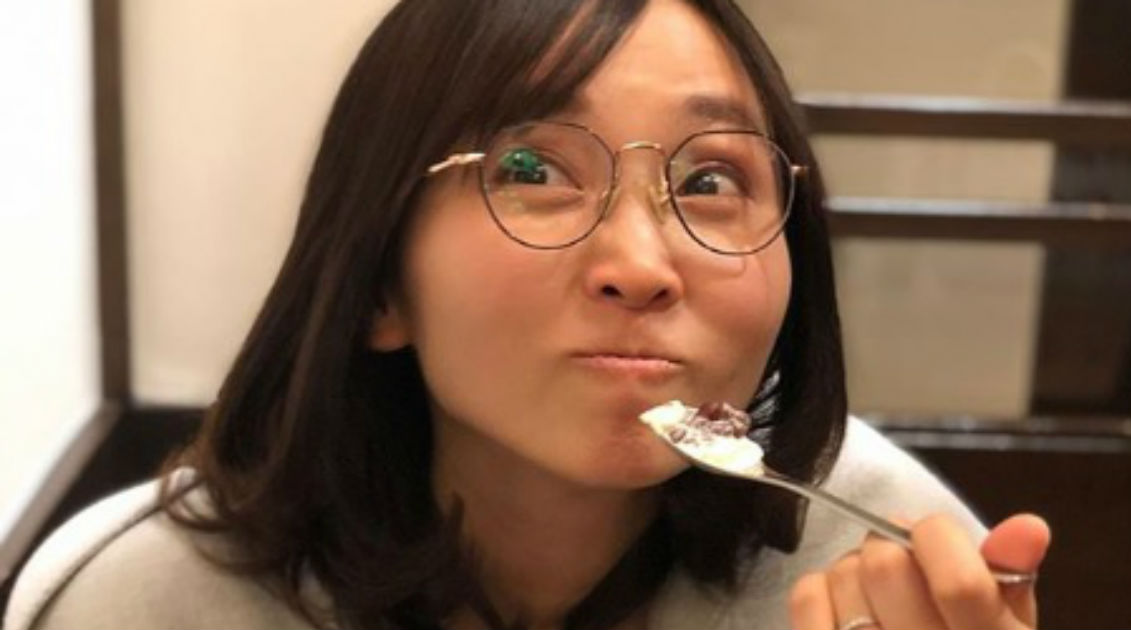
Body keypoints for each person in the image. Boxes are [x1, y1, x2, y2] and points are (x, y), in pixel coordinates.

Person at [5, 0, 1051, 628]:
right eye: (531, 170)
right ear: (378, 282)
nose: (640, 267)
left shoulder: (879, 569)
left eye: (708, 182)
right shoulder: (144, 603)